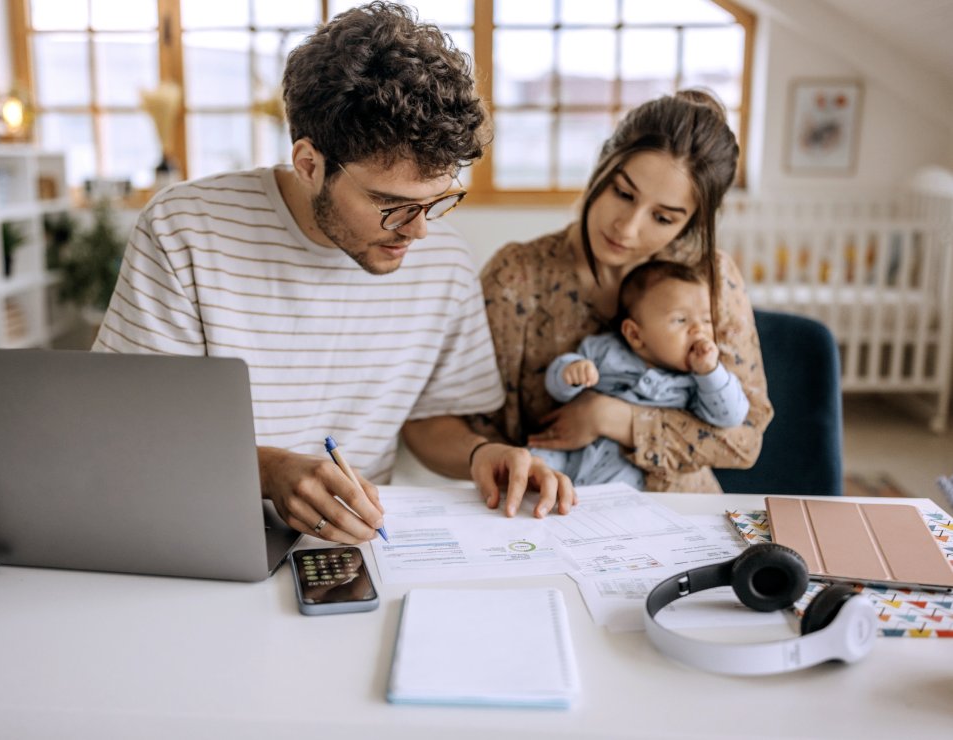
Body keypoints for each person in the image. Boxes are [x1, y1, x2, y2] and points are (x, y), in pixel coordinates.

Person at [92, 2, 574, 545]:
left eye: (438, 200)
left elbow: (429, 420)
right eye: (391, 204)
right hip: (202, 530)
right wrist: (270, 472)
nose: (418, 232)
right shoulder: (187, 229)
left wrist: (483, 454)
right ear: (308, 164)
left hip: (358, 546)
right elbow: (131, 430)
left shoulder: (443, 260)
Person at [473, 89, 774, 500]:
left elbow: (744, 440)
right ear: (602, 165)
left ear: (689, 224)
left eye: (663, 217)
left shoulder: (712, 278)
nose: (627, 228)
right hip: (549, 508)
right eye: (623, 193)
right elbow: (471, 430)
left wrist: (613, 417)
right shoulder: (517, 276)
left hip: (680, 515)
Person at [532, 260, 749, 489]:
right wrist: (570, 372)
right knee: (534, 462)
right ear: (635, 335)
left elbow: (731, 417)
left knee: (620, 492)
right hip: (571, 451)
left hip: (625, 465)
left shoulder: (696, 382)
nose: (699, 330)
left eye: (707, 320)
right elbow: (556, 389)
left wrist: (710, 372)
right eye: (680, 320)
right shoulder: (605, 350)